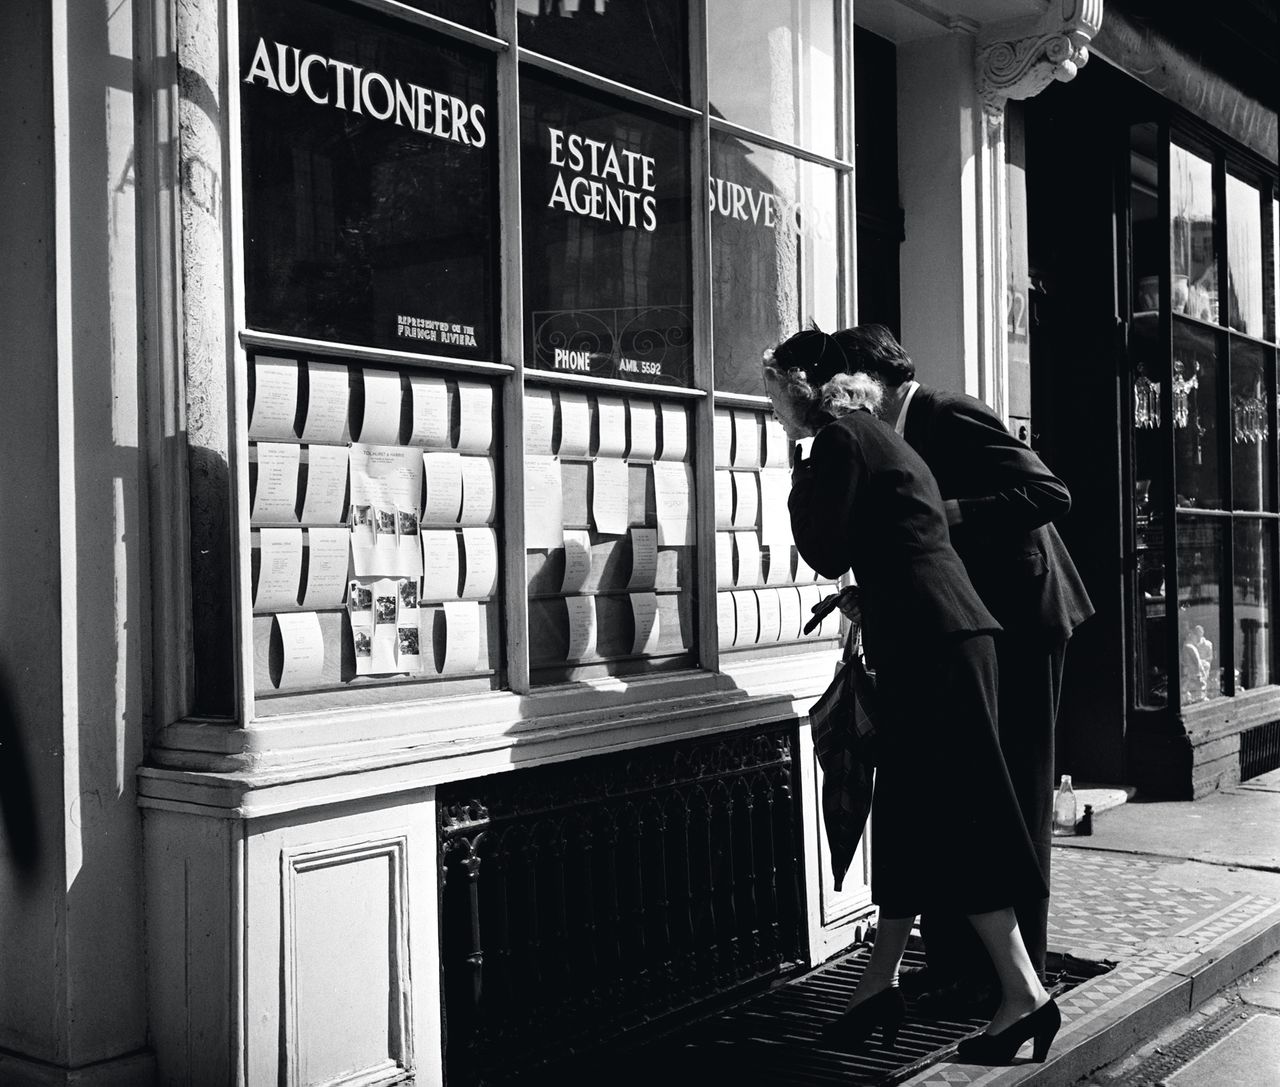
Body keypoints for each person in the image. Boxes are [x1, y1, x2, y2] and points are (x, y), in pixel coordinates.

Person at [765, 328, 1060, 1064]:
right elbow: (905, 541)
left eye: (776, 399)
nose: (775, 415)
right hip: (942, 638)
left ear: (805, 392)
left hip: (936, 649)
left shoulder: (839, 442)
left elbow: (824, 547)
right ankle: (881, 978)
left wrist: (797, 467)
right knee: (910, 813)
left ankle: (1024, 993)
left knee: (962, 816)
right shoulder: (879, 437)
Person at [831, 324, 1093, 1003]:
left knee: (1016, 794)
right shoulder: (887, 440)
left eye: (844, 385)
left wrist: (955, 512)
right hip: (967, 625)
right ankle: (962, 967)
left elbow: (1049, 493)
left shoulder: (948, 414)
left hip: (1026, 618)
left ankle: (1018, 975)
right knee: (962, 792)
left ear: (873, 380)